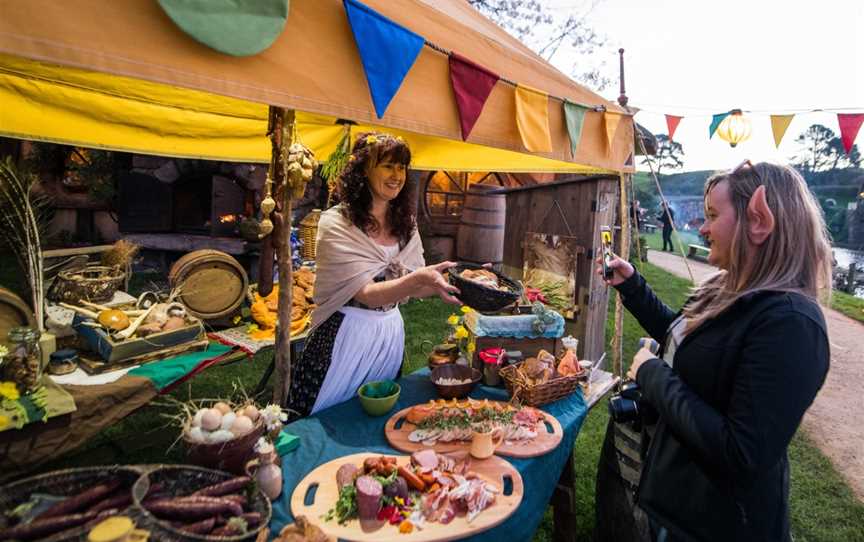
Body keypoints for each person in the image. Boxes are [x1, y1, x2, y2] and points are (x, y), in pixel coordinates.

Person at [597, 161, 831, 541]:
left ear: (759, 220)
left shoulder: (790, 323)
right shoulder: (733, 291)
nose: (702, 228)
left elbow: (740, 455)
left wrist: (651, 374)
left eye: (712, 215)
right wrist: (633, 286)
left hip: (718, 526)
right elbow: (691, 346)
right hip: (681, 506)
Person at [286, 132, 461, 418]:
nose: (397, 175)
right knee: (320, 419)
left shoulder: (405, 223)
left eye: (402, 167)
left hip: (389, 333)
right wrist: (418, 279)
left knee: (378, 416)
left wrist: (458, 283)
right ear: (364, 169)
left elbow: (416, 286)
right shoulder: (337, 223)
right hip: (344, 335)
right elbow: (366, 294)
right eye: (388, 166)